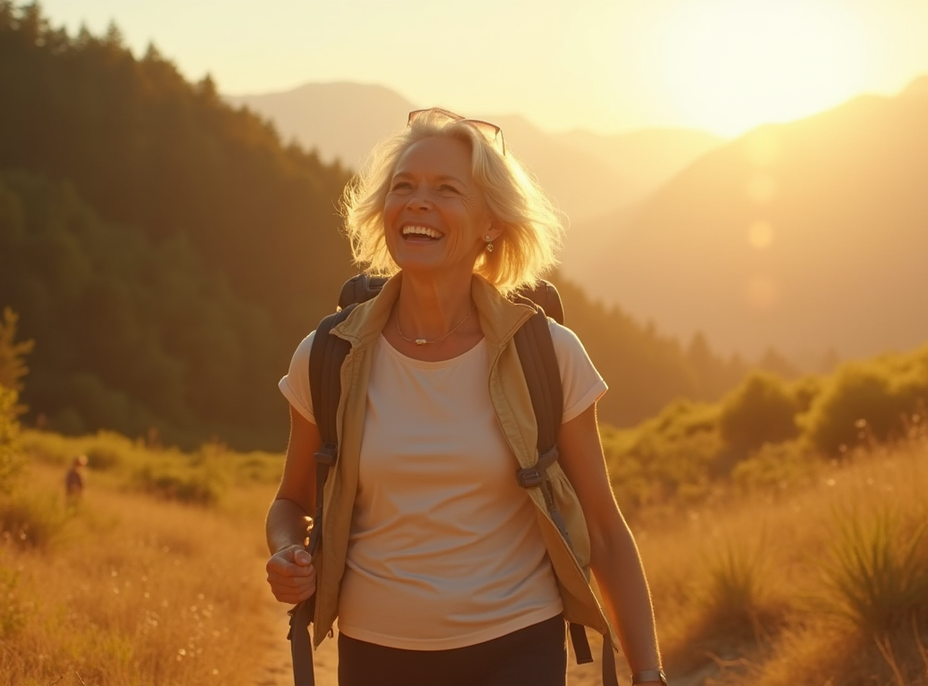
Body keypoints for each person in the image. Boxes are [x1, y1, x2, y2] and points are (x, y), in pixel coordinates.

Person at [265, 108, 666, 686]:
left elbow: (603, 527)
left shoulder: (548, 354)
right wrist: (286, 551)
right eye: (403, 187)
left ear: (491, 225)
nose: (418, 202)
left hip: (518, 647)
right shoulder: (329, 355)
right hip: (376, 654)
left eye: (446, 189)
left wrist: (648, 672)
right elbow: (291, 502)